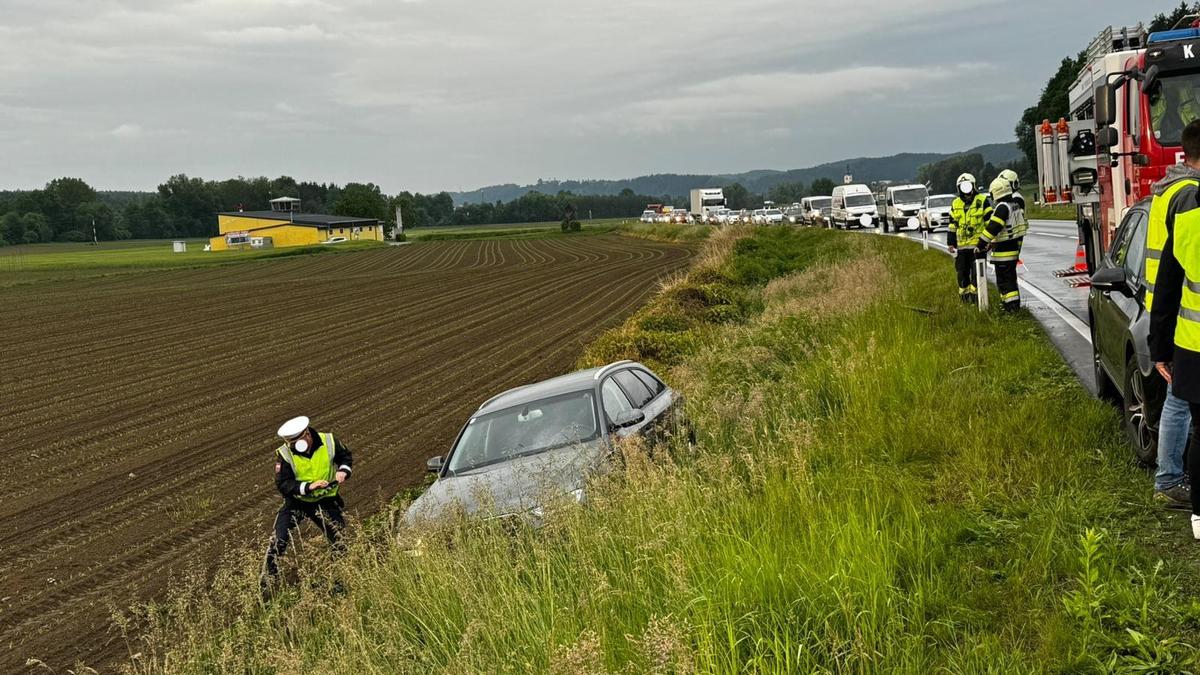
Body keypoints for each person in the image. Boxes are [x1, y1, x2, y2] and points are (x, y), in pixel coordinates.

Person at [1149, 119, 1200, 539]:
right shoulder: (1189, 197)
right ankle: (1168, 479)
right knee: (1180, 403)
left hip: (1170, 310)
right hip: (1183, 315)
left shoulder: (1168, 188)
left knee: (1180, 401)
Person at [261, 415, 354, 590]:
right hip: (297, 502)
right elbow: (283, 483)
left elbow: (345, 457)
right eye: (290, 442)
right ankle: (266, 583)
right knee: (279, 540)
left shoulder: (329, 441)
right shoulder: (285, 454)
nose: (294, 446)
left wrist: (343, 470)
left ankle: (339, 581)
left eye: (297, 441)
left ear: (307, 435)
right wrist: (308, 487)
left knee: (339, 538)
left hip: (326, 501)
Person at [976, 169, 1028, 311]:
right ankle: (1012, 305)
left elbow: (993, 228)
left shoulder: (1002, 207)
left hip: (1003, 253)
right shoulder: (1014, 204)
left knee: (1005, 282)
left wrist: (981, 244)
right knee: (1010, 280)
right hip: (1011, 249)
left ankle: (1009, 307)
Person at [947, 172, 990, 304]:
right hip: (962, 248)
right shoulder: (955, 203)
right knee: (961, 274)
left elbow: (989, 222)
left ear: (973, 186)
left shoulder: (982, 201)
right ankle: (965, 300)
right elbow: (952, 225)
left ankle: (977, 299)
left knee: (977, 275)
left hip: (978, 247)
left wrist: (990, 241)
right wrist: (951, 243)